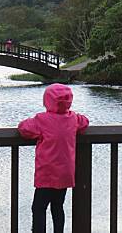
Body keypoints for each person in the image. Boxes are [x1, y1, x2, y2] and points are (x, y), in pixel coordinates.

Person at [18, 83, 89, 233]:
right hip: (65, 174)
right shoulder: (73, 118)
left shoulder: (42, 119)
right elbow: (85, 122)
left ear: (47, 101)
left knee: (38, 207)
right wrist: (73, 114)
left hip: (47, 173)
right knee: (58, 206)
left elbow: (24, 129)